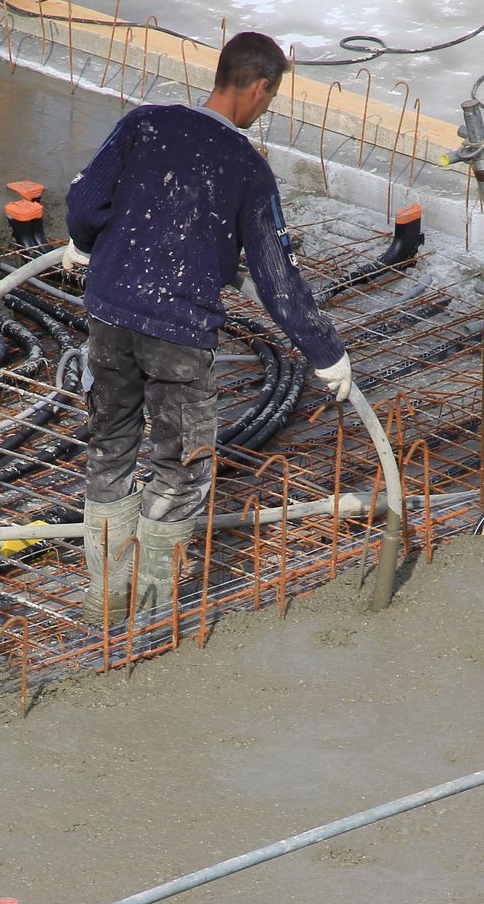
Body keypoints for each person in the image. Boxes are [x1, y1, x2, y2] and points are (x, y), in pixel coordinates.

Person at [62, 30, 352, 622]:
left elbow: (86, 202)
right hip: (179, 330)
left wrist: (84, 244)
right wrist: (325, 352)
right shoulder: (245, 165)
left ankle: (104, 600)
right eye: (269, 101)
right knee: (179, 464)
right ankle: (146, 613)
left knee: (111, 446)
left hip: (110, 312)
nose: (264, 111)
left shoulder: (145, 124)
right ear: (260, 87)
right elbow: (276, 275)